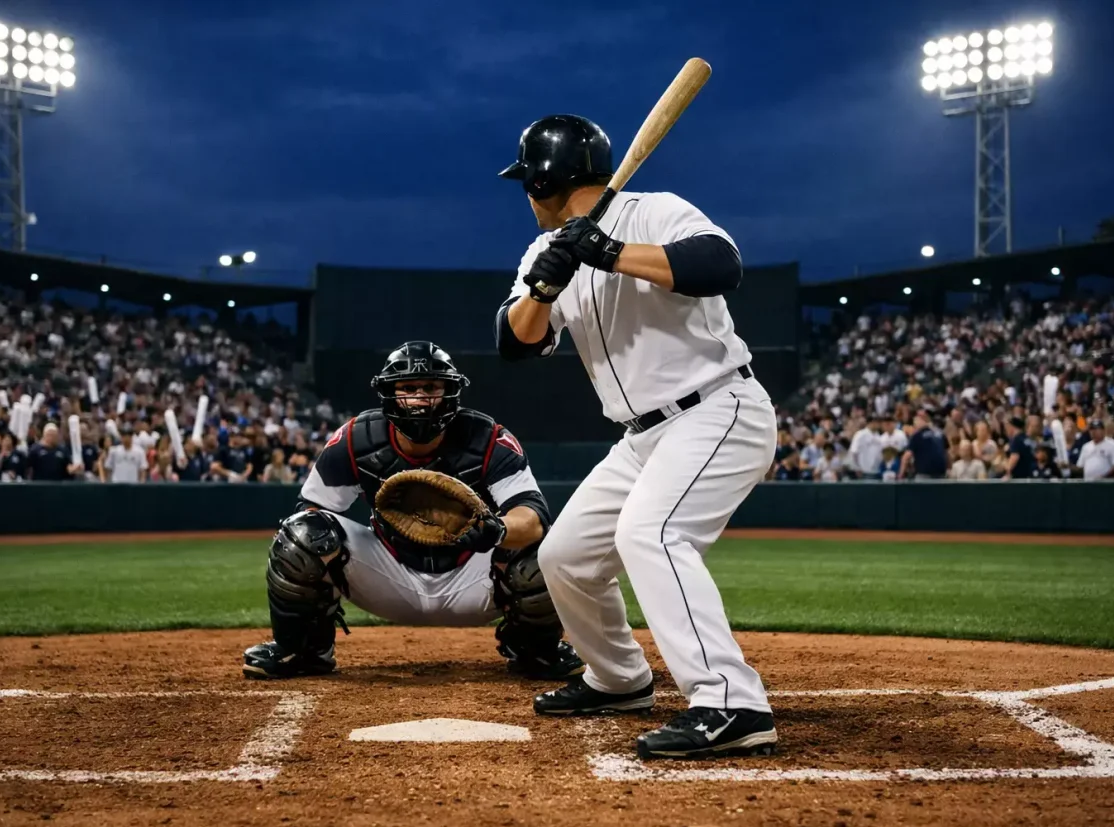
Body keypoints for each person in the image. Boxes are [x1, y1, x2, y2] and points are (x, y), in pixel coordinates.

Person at [494, 114, 777, 761]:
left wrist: (610, 253)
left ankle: (732, 701)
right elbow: (514, 341)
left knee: (651, 533)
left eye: (526, 183)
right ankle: (619, 678)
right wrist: (547, 281)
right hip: (641, 435)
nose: (524, 194)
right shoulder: (545, 251)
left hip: (717, 407)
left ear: (543, 179)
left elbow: (720, 264)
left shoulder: (656, 212)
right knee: (564, 555)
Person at [243, 341, 583, 683]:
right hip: (390, 575)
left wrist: (495, 530)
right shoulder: (355, 439)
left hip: (474, 578)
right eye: (408, 388)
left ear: (450, 391)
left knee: (544, 548)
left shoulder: (488, 437)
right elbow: (311, 511)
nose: (420, 398)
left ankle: (536, 650)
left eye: (431, 387)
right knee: (300, 534)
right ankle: (303, 650)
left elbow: (532, 517)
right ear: (389, 393)